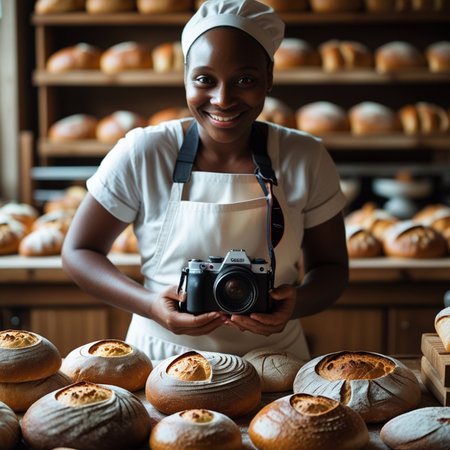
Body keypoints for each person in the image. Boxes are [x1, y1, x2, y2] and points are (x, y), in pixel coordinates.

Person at [62, 0, 349, 361]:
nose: (222, 99)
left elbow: (332, 269)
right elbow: (78, 252)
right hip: (161, 360)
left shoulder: (305, 156)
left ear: (269, 77)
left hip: (274, 363)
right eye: (205, 79)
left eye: (245, 79)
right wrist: (150, 305)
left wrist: (295, 305)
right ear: (185, 77)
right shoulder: (144, 151)